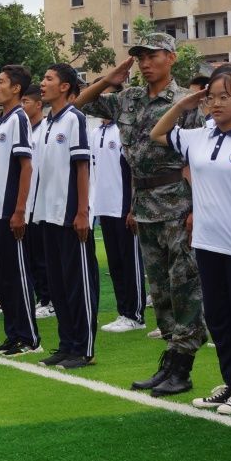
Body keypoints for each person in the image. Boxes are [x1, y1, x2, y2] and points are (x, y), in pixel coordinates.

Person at [76, 33, 207, 397]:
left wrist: (197, 207)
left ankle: (183, 366)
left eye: (152, 56)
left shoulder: (186, 102)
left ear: (171, 58)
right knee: (160, 291)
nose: (145, 63)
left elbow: (198, 157)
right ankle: (170, 358)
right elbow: (79, 105)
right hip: (145, 203)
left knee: (185, 287)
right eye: (139, 57)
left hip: (179, 202)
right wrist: (108, 79)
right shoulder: (129, 98)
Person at [151, 64, 231, 414]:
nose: (215, 104)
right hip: (206, 242)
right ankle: (230, 381)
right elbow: (157, 134)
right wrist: (182, 106)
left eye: (224, 97)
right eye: (211, 97)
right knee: (217, 317)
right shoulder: (200, 135)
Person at [31, 64, 99, 370]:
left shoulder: (74, 119)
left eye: (49, 79)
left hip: (71, 214)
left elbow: (81, 167)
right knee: (57, 284)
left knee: (77, 283)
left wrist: (82, 211)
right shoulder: (46, 123)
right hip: (48, 214)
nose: (42, 84)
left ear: (65, 87)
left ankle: (83, 348)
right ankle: (66, 343)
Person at [0, 64, 41, 356]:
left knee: (17, 274)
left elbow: (26, 166)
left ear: (16, 88)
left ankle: (28, 337)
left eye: (1, 82)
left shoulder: (19, 119)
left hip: (8, 210)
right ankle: (12, 333)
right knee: (1, 275)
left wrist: (20, 210)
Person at [91, 81, 148, 334]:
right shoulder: (96, 133)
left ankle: (136, 314)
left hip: (123, 206)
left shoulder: (125, 130)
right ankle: (123, 311)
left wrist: (132, 207)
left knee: (130, 261)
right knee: (115, 263)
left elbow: (133, 171)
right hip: (104, 206)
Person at [22, 84, 54, 320]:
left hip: (42, 201)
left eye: (26, 102)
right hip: (27, 202)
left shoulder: (45, 129)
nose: (23, 106)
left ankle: (49, 299)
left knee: (44, 257)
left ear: (38, 105)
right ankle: (40, 297)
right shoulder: (24, 130)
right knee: (31, 256)